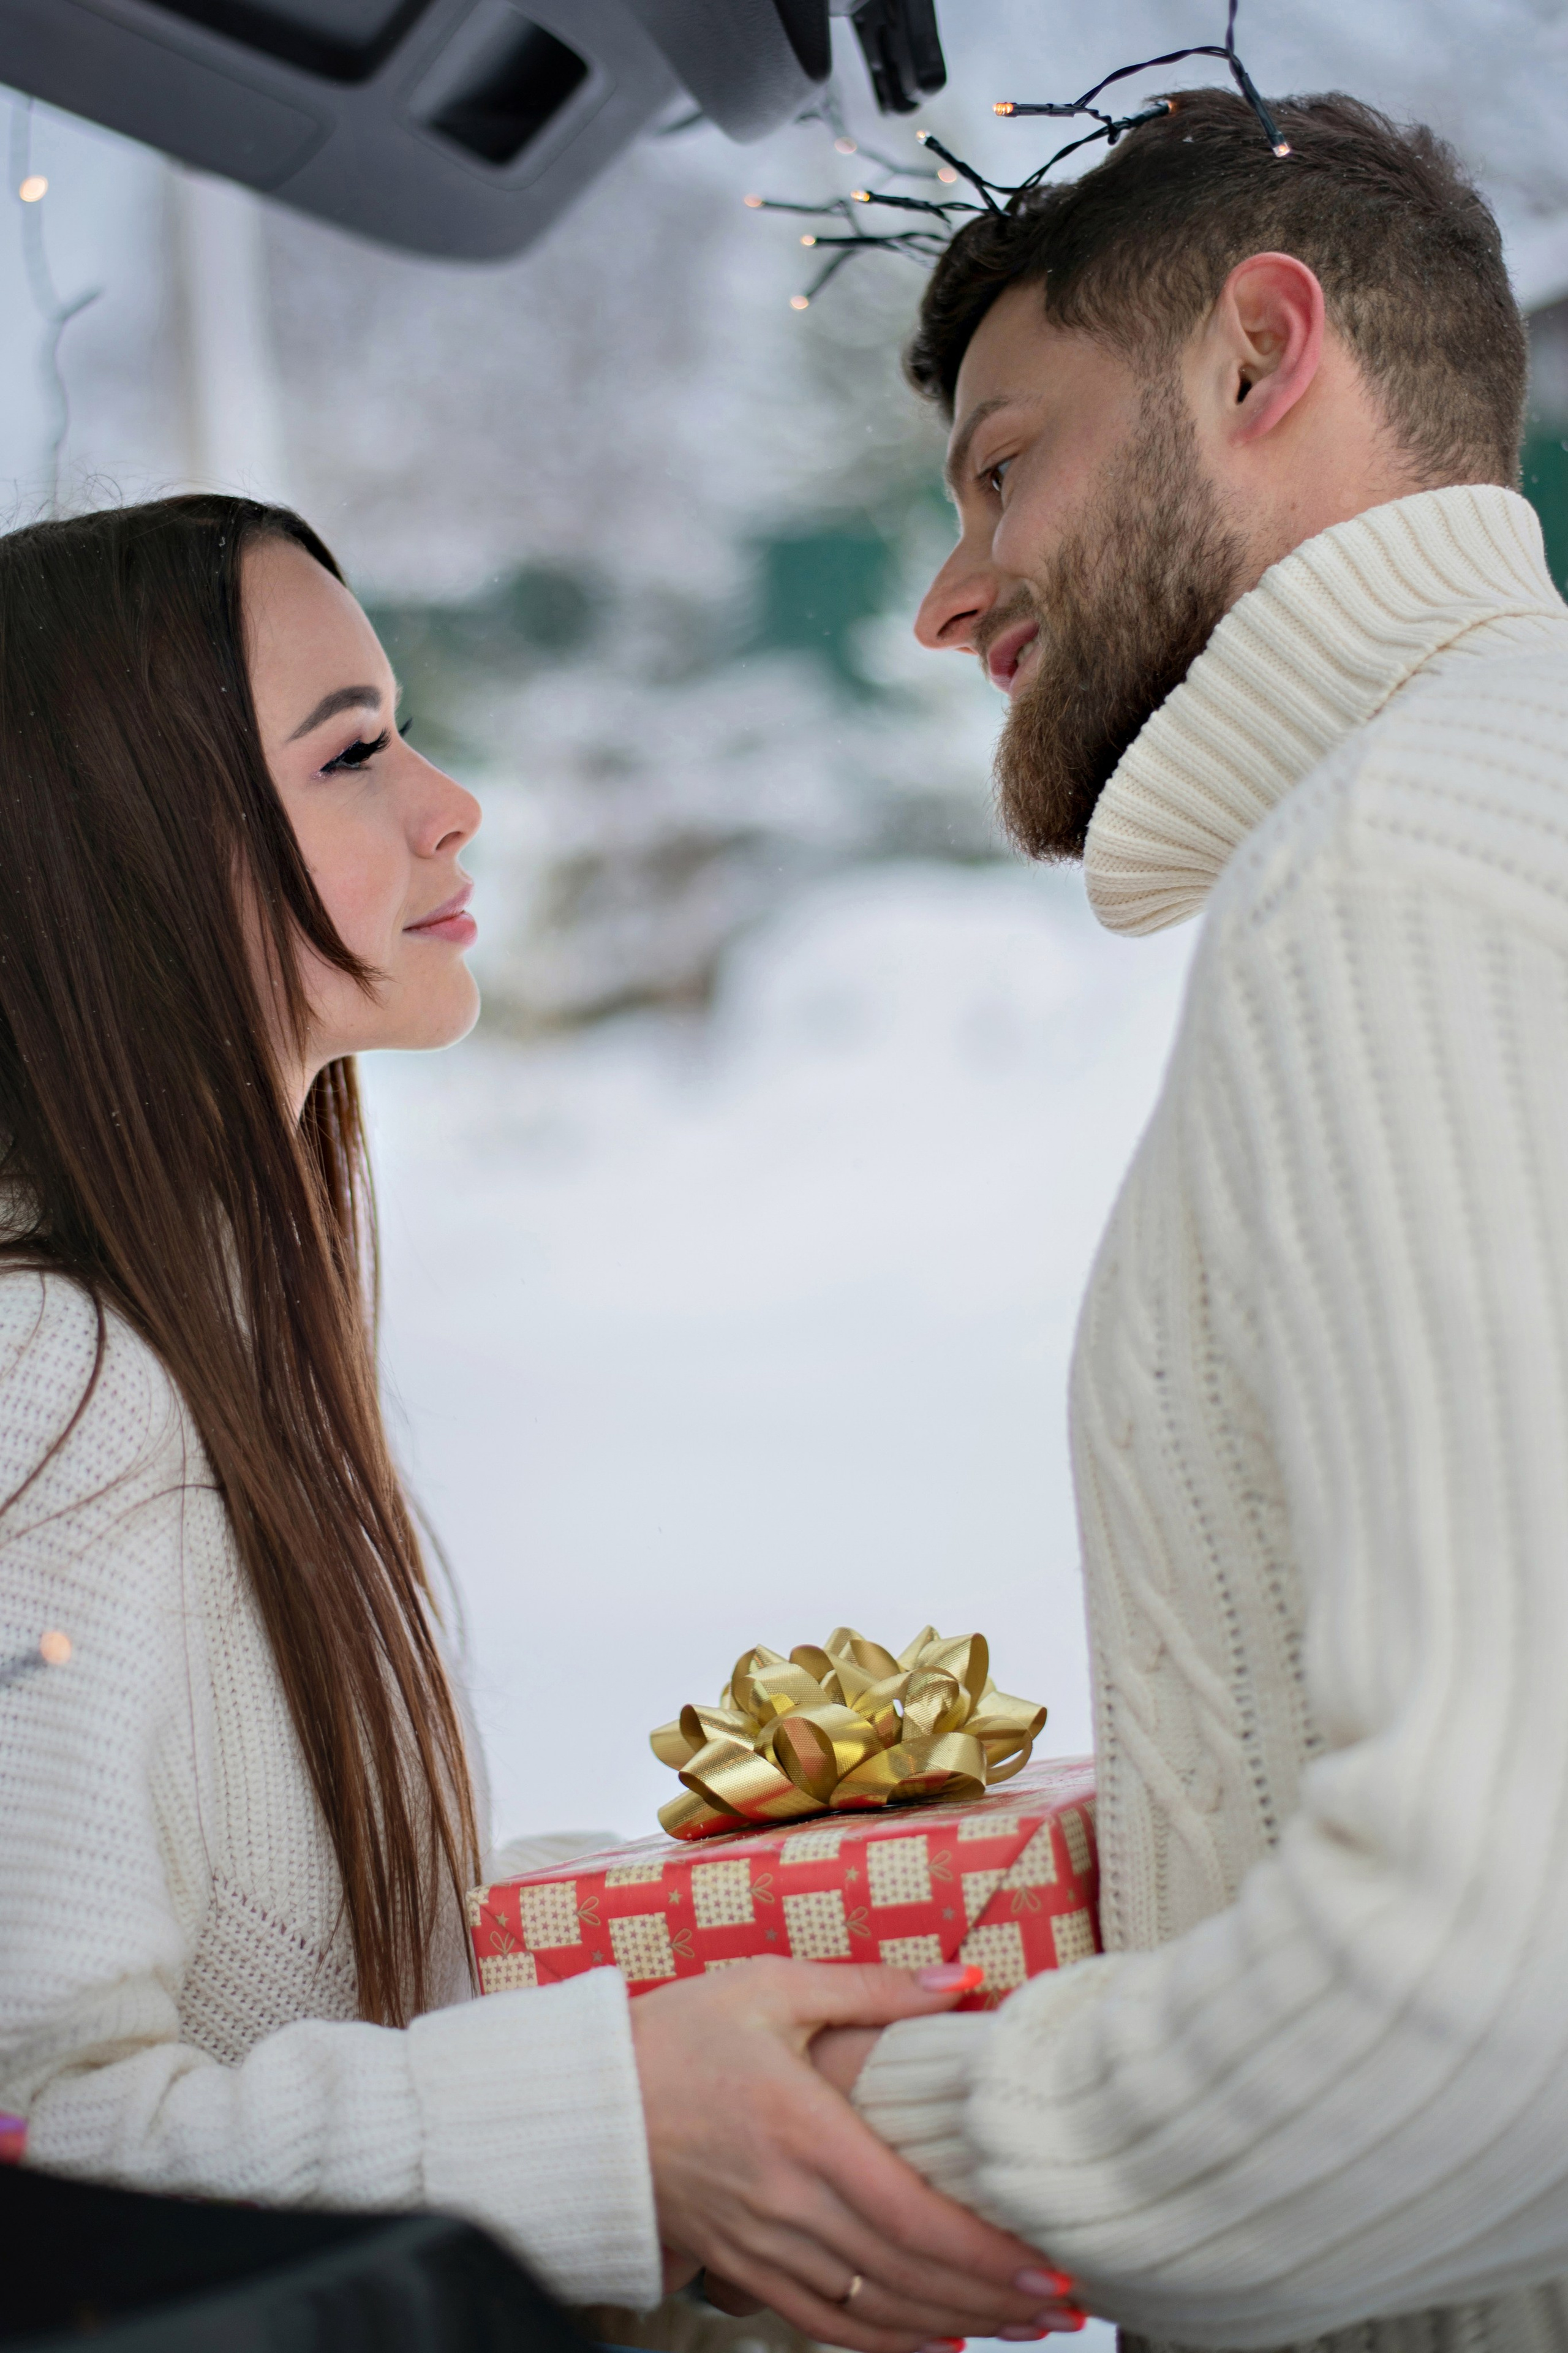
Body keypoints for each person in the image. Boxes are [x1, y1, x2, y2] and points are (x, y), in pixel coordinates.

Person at [0, 496, 1074, 2352]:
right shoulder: (46, 1382)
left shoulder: (225, 1341)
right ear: (129, 845)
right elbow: (42, 2155)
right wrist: (624, 2121)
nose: (450, 802)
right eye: (353, 749)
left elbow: (313, 2003)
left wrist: (688, 1971)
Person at [805, 84, 1568, 2353]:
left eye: (1007, 463)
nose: (949, 598)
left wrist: (801, 2154)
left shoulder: (1395, 877)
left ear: (1261, 357)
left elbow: (1504, 1969)